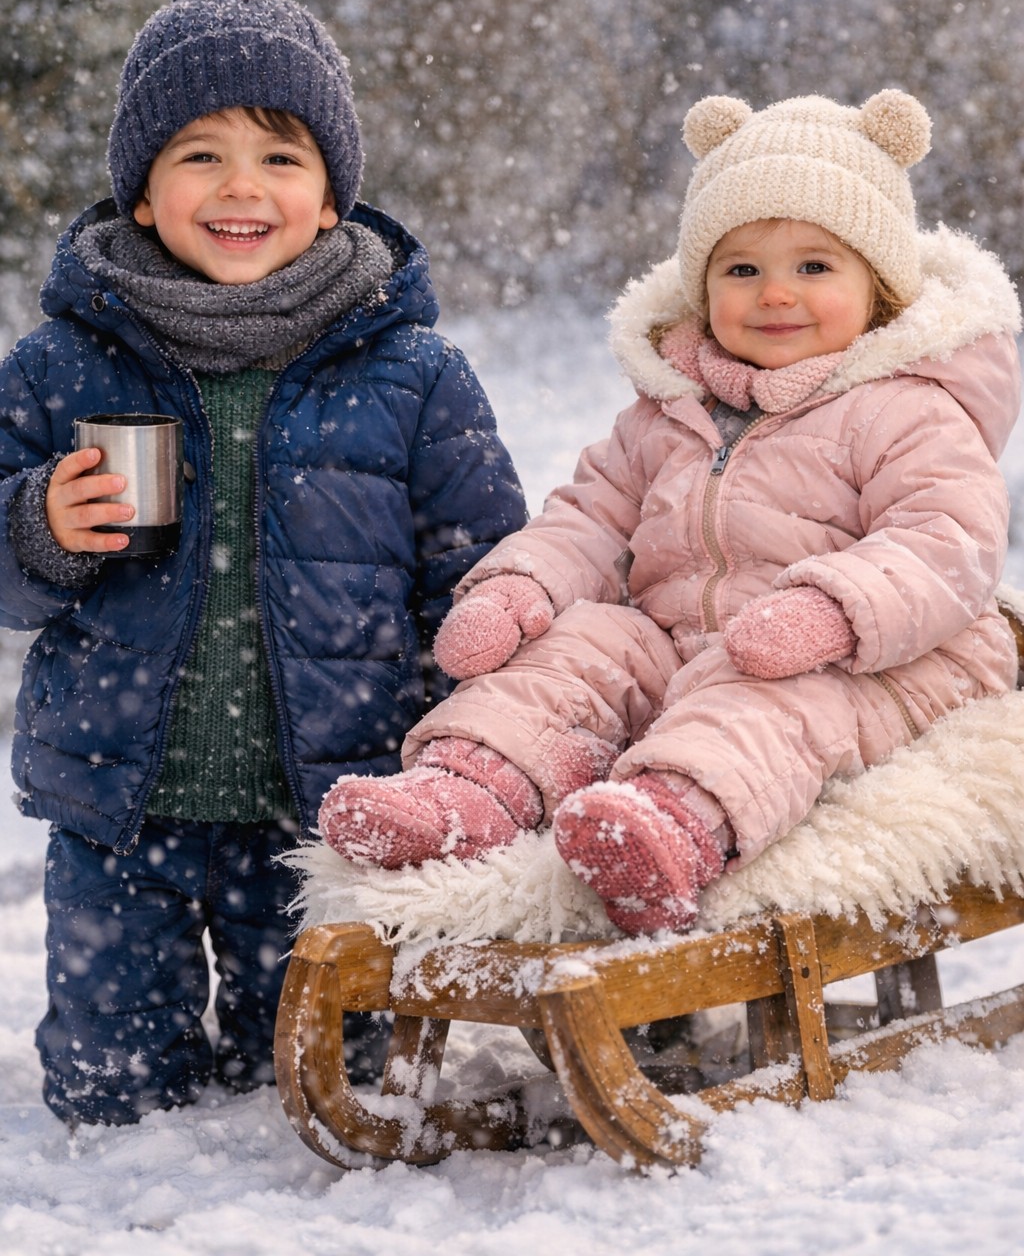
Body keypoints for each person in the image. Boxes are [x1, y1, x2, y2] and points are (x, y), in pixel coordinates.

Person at [0, 0, 526, 1124]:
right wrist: (39, 523)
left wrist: (475, 741)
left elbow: (488, 578)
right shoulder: (61, 364)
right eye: (201, 155)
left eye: (278, 156)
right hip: (121, 798)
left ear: (331, 191)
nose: (242, 188)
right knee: (107, 1087)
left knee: (318, 1076)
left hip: (330, 806)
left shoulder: (413, 376)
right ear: (143, 191)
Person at [319, 89, 1021, 938]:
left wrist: (831, 610)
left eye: (814, 266)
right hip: (684, 639)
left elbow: (948, 541)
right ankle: (474, 784)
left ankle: (673, 822)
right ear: (701, 288)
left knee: (766, 693)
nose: (775, 294)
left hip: (882, 657)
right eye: (741, 269)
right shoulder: (670, 411)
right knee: (581, 646)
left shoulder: (907, 407)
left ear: (877, 290)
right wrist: (518, 589)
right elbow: (592, 516)